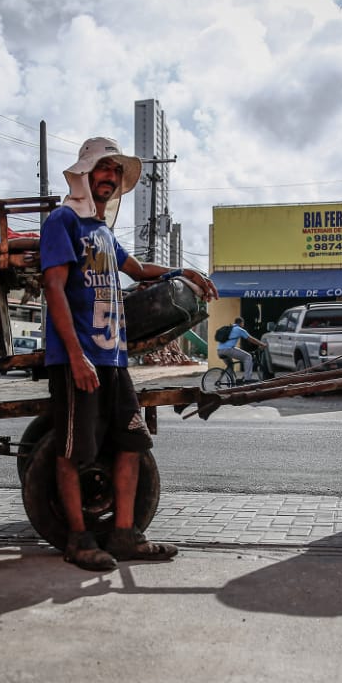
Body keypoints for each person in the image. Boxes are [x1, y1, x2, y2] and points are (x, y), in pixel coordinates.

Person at [41, 136, 218, 571]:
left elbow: (136, 270)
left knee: (131, 444)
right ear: (84, 173)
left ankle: (124, 535)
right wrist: (78, 356)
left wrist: (182, 270)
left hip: (114, 360)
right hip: (78, 360)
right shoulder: (62, 222)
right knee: (72, 451)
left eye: (116, 172)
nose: (111, 178)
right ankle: (79, 541)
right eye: (104, 168)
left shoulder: (101, 231)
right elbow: (54, 290)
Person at [217, 317, 265, 383]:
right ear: (241, 323)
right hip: (228, 350)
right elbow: (251, 339)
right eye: (243, 323)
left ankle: (230, 382)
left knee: (230, 365)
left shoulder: (229, 328)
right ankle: (247, 379)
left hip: (219, 350)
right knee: (248, 357)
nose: (243, 325)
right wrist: (262, 344)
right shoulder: (239, 329)